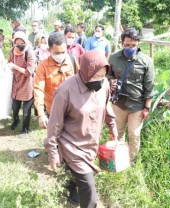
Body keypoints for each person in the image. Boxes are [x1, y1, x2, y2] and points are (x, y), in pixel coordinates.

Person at [45, 50, 118, 207]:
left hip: (91, 144)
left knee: (82, 180)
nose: (99, 80)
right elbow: (54, 125)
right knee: (89, 189)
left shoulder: (104, 85)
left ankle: (71, 186)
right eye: (95, 76)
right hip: (72, 147)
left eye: (102, 76)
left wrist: (113, 127)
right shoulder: (66, 90)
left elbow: (107, 106)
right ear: (85, 71)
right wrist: (52, 152)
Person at [108, 28, 155, 160]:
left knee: (134, 134)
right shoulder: (113, 58)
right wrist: (111, 81)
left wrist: (147, 107)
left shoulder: (146, 61)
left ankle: (131, 160)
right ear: (122, 43)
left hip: (137, 105)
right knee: (117, 132)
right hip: (119, 103)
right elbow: (107, 74)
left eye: (133, 45)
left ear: (138, 43)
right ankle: (117, 158)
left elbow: (149, 87)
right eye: (127, 45)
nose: (130, 48)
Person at [34, 32, 79, 129]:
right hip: (54, 111)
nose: (61, 55)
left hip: (73, 109)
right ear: (49, 50)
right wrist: (41, 114)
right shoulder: (43, 66)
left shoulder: (72, 60)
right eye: (57, 53)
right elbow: (38, 90)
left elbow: (80, 81)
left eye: (63, 52)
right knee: (56, 140)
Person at [8, 31, 36, 135]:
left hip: (27, 83)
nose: (19, 45)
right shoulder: (12, 51)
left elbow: (29, 72)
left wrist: (15, 67)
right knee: (15, 108)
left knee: (26, 111)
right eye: (17, 43)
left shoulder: (29, 53)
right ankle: (16, 120)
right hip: (16, 82)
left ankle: (25, 129)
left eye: (21, 42)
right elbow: (9, 63)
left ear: (25, 41)